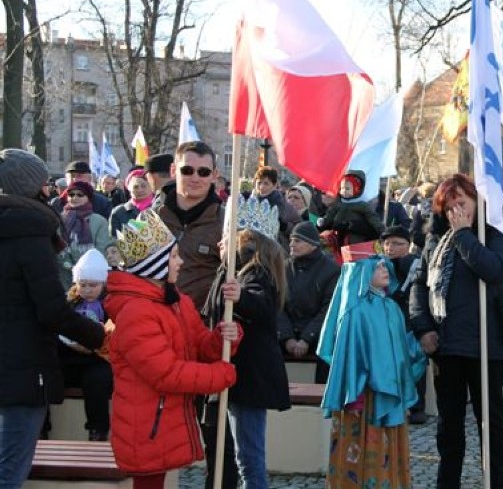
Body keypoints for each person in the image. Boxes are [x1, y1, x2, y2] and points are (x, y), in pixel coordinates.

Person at [106, 208, 241, 489]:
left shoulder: (175, 301)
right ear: (154, 265)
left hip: (162, 417)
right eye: (174, 256)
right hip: (146, 423)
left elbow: (199, 346)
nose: (180, 262)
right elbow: (165, 373)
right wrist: (221, 375)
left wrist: (223, 338)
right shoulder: (136, 313)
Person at [0, 149, 106, 488]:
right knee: (10, 470)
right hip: (22, 370)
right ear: (33, 188)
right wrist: (100, 336)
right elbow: (51, 309)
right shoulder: (29, 232)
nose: (52, 189)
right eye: (46, 182)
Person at [409, 173, 503, 489]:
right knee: (449, 428)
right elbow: (418, 285)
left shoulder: (499, 230)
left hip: (488, 344)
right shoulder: (436, 239)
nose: (456, 209)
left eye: (462, 201)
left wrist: (465, 235)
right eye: (449, 204)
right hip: (447, 345)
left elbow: (495, 269)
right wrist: (423, 328)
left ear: (476, 200)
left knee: (491, 425)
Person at [203, 195, 290, 489]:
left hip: (249, 378)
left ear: (243, 241)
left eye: (226, 239)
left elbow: (261, 305)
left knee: (248, 458)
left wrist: (240, 296)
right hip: (234, 373)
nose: (219, 245)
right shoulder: (228, 270)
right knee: (236, 454)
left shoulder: (257, 273)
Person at [318, 255, 426, 489]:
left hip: (389, 396)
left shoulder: (392, 308)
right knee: (359, 447)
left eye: (384, 265)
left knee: (388, 447)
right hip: (363, 399)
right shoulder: (355, 313)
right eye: (376, 267)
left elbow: (398, 353)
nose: (384, 269)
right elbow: (349, 358)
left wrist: (419, 352)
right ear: (361, 274)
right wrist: (353, 398)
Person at [154, 141, 225, 310]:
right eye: (187, 170)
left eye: (203, 172)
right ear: (173, 171)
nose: (195, 178)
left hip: (201, 324)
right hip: (156, 319)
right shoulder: (152, 218)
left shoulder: (226, 222)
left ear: (214, 175)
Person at [59, 250, 114, 442]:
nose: (88, 290)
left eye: (93, 285)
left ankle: (97, 431)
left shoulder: (110, 304)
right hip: (70, 357)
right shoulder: (70, 302)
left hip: (98, 359)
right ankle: (42, 427)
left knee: (97, 381)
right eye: (83, 285)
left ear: (103, 284)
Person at [279, 221, 340, 383]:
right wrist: (287, 337)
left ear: (312, 245)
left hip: (318, 336)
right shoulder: (283, 268)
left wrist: (307, 338)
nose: (291, 244)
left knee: (330, 353)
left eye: (297, 241)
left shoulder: (331, 270)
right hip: (286, 334)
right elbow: (277, 306)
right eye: (291, 240)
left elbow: (328, 309)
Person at [380, 225, 428, 424]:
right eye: (387, 243)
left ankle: (416, 406)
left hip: (410, 324)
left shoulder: (415, 265)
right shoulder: (378, 265)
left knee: (414, 361)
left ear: (408, 246)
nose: (390, 248)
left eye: (397, 244)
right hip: (385, 324)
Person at [58, 180, 113, 289]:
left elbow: (102, 249)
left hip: (91, 278)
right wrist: (69, 265)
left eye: (80, 194)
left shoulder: (99, 221)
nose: (75, 197)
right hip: (64, 275)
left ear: (88, 197)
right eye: (71, 194)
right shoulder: (60, 219)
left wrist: (83, 269)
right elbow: (57, 244)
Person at [318, 170, 385, 247]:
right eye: (342, 188)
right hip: (337, 235)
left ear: (357, 189)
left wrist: (382, 231)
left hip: (356, 237)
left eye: (347, 189)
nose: (344, 191)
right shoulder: (338, 204)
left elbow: (373, 219)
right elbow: (330, 215)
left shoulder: (362, 205)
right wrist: (323, 222)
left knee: (353, 246)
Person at [252, 166, 302, 246]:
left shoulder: (286, 207)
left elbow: (299, 230)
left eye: (266, 183)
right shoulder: (250, 204)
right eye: (259, 183)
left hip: (277, 249)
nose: (261, 187)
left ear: (274, 185)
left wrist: (284, 226)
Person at [109, 170, 155, 236]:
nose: (140, 190)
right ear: (129, 189)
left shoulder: (159, 207)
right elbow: (114, 239)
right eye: (135, 187)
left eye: (143, 186)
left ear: (151, 186)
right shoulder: (118, 212)